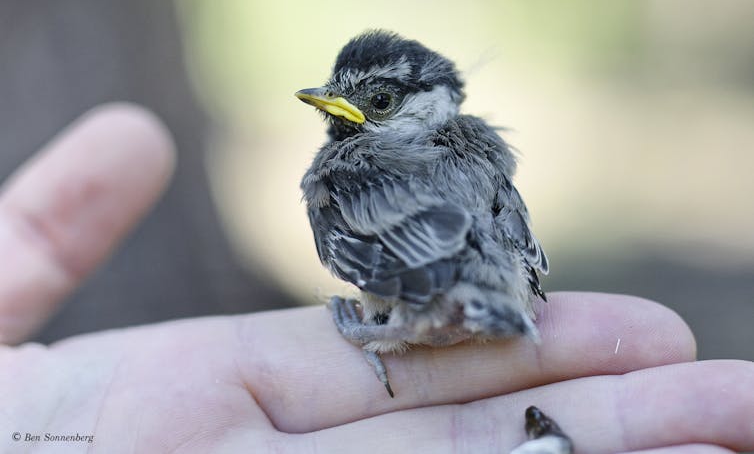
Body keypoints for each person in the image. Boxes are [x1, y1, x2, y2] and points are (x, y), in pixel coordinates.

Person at [0, 103, 751, 453]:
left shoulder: (344, 175)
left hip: (460, 291)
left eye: (378, 101)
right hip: (503, 286)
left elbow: (410, 258)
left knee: (376, 317)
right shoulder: (461, 153)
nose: (343, 109)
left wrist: (375, 329)